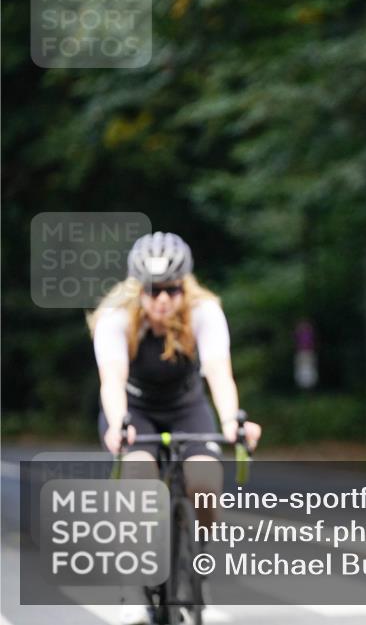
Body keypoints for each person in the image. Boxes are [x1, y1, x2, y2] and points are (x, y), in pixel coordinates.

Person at [89, 231, 261, 625]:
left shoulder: (205, 311)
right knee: (138, 473)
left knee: (203, 478)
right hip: (134, 409)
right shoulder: (116, 316)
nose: (162, 300)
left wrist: (234, 419)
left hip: (187, 407)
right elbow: (112, 378)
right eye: (152, 291)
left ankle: (200, 581)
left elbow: (218, 371)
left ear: (185, 286)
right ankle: (133, 589)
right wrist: (118, 425)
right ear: (138, 289)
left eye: (171, 289)